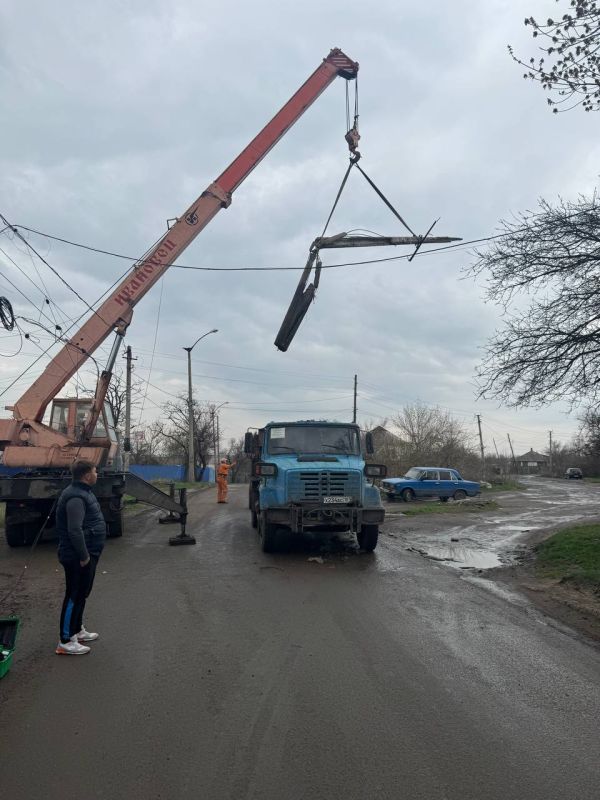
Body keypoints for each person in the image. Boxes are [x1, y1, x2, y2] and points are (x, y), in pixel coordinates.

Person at [55, 459, 106, 655]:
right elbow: (74, 530)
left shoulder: (83, 492)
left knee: (82, 593)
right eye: (95, 471)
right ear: (86, 475)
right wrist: (84, 556)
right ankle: (66, 640)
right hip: (78, 556)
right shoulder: (75, 497)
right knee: (74, 595)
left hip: (88, 553)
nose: (97, 474)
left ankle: (77, 630)